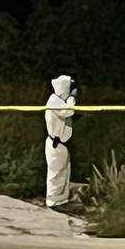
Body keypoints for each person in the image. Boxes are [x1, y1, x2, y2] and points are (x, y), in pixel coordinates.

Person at [44, 74, 77, 210]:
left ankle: (62, 200)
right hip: (56, 143)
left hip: (61, 143)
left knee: (63, 172)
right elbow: (68, 112)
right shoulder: (54, 101)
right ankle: (53, 202)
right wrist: (72, 98)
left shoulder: (58, 101)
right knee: (56, 173)